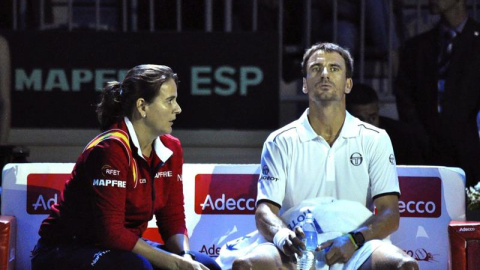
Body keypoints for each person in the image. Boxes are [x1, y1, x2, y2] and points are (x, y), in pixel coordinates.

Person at [231, 43, 418, 269]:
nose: (325, 74)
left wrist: (354, 239)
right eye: (316, 68)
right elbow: (265, 211)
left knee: (405, 266)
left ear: (348, 84)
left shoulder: (375, 138)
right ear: (304, 84)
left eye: (334, 68)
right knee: (245, 265)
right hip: (297, 247)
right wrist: (283, 235)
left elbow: (390, 213)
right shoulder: (280, 140)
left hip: (356, 244)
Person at [31, 65, 221, 270]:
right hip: (65, 250)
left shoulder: (171, 147)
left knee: (207, 265)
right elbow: (110, 233)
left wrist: (185, 257)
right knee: (137, 267)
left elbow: (172, 219)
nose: (178, 108)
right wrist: (175, 263)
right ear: (142, 107)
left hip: (119, 250)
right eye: (169, 101)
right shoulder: (111, 148)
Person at [394, 0, 480, 188]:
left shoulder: (476, 42)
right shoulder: (418, 46)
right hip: (427, 151)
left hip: (469, 153)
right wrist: (419, 135)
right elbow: (404, 94)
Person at [346, 83, 424, 165]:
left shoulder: (401, 136)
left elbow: (413, 173)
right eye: (359, 120)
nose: (367, 126)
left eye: (372, 118)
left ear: (378, 111)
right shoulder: (337, 138)